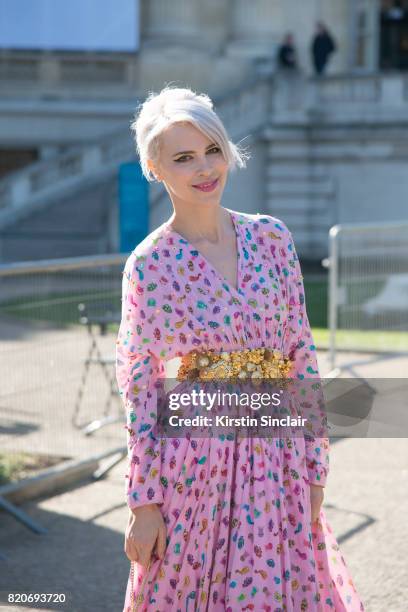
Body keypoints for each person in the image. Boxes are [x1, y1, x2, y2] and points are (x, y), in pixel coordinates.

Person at [116, 85, 365, 611]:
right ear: (155, 168)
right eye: (184, 157)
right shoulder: (150, 265)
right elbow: (142, 390)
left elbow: (300, 356)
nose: (206, 167)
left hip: (278, 462)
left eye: (213, 149)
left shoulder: (272, 239)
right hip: (194, 471)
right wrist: (144, 502)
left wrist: (314, 466)